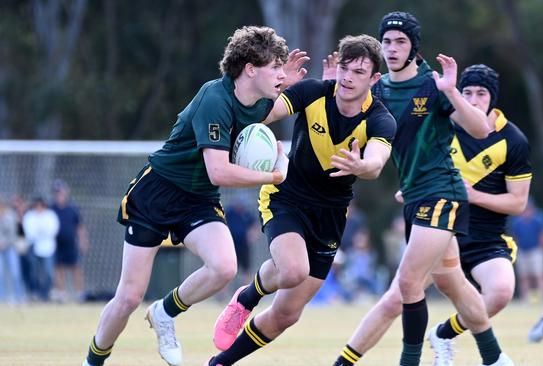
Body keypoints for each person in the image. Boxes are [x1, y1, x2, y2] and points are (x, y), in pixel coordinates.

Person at [82, 26, 309, 366]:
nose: (280, 72)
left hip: (198, 198)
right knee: (128, 298)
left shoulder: (259, 102)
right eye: (274, 66)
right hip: (156, 194)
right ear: (250, 68)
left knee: (224, 267)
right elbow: (219, 171)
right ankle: (92, 362)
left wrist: (284, 83)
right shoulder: (214, 99)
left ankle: (164, 312)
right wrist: (273, 176)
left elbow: (267, 114)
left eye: (281, 67)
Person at [326, 12, 514, 366]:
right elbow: (345, 133)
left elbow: (480, 130)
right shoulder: (378, 90)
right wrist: (330, 92)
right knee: (453, 284)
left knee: (407, 285)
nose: (393, 48)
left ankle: (400, 361)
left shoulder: (433, 85)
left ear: (414, 47)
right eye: (388, 41)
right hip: (414, 198)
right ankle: (495, 358)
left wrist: (453, 93)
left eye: (401, 41)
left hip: (443, 195)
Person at [206, 34, 396, 366]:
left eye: (359, 72)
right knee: (293, 270)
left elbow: (376, 163)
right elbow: (260, 116)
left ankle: (220, 362)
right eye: (345, 68)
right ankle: (246, 299)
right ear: (336, 67)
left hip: (331, 214)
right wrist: (276, 89)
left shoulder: (380, 118)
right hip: (287, 195)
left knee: (286, 315)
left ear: (375, 79)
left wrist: (362, 164)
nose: (348, 77)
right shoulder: (312, 92)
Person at [427, 63, 532, 365]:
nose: (473, 99)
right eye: (467, 92)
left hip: (487, 238)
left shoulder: (513, 141)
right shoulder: (443, 127)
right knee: (400, 296)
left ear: (493, 98)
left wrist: (474, 196)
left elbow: (518, 203)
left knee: (500, 292)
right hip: (440, 230)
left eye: (481, 93)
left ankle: (443, 334)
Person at [50, 179, 90, 303]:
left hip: (71, 243)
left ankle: (80, 294)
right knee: (59, 269)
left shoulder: (72, 208)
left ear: (66, 193)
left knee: (76, 268)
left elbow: (80, 226)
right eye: (56, 193)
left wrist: (83, 241)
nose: (59, 195)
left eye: (60, 192)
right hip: (56, 244)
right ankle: (61, 294)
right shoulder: (51, 209)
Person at [510, 199, 543, 302]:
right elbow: (515, 236)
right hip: (522, 251)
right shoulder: (517, 220)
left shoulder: (539, 218)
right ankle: (524, 299)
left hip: (537, 250)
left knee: (540, 275)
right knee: (524, 276)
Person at [22, 196, 60, 302]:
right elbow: (29, 232)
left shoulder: (50, 215)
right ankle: (35, 293)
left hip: (48, 248)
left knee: (48, 272)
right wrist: (41, 233)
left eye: (40, 205)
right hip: (34, 248)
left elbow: (53, 230)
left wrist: (41, 232)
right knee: (34, 272)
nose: (38, 208)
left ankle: (45, 294)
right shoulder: (30, 216)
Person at [0, 197, 26, 304]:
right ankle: (2, 297)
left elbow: (14, 234)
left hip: (10, 248)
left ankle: (19, 296)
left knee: (15, 273)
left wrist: (4, 243)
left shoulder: (10, 216)